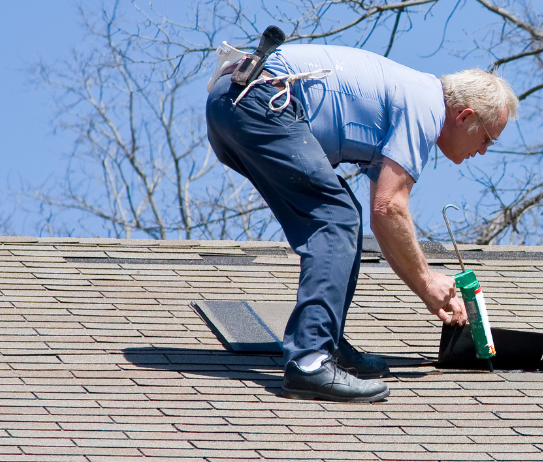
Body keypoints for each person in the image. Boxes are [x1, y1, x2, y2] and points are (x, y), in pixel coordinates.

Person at [206, 41, 518, 403]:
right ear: (464, 117)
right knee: (336, 217)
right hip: (260, 100)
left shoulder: (409, 98)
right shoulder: (426, 106)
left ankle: (327, 344)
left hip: (233, 102)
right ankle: (310, 361)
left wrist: (426, 289)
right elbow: (390, 208)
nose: (483, 150)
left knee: (343, 216)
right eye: (487, 139)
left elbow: (382, 220)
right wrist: (428, 281)